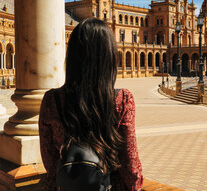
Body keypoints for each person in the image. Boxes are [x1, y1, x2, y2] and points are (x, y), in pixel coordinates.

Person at [39, 18, 143, 191]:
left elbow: (50, 164)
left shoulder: (51, 101)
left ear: (71, 56)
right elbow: (131, 168)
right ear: (109, 57)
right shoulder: (122, 100)